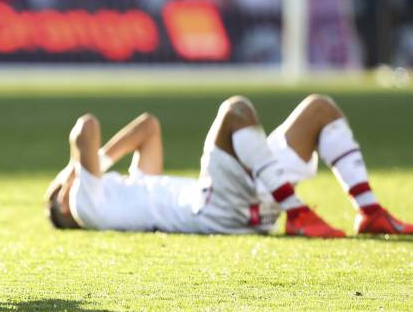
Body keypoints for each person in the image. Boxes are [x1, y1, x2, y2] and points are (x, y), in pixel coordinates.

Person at [45, 94, 413, 237]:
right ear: (63, 203)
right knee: (235, 112)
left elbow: (148, 127)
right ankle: (297, 213)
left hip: (242, 202)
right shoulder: (85, 205)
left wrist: (98, 164)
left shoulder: (125, 193)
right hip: (213, 210)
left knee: (320, 109)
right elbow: (86, 128)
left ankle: (370, 213)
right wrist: (73, 170)